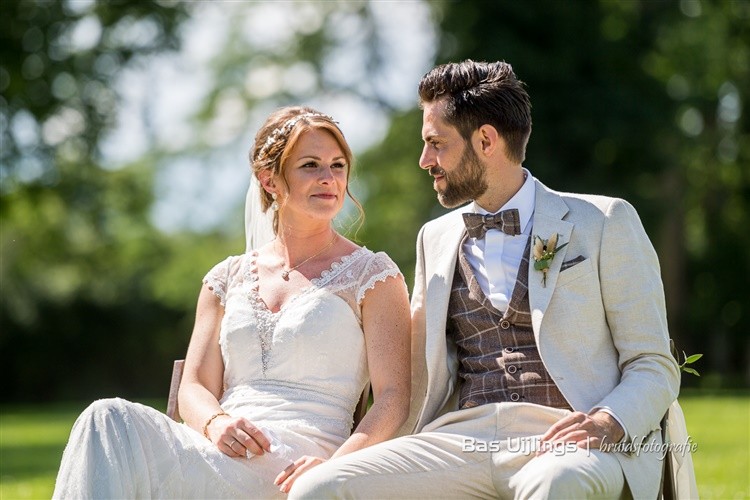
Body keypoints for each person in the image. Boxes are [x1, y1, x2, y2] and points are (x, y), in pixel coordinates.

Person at [290, 61, 698, 499]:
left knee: (555, 484)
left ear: (485, 140)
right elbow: (411, 377)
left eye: (435, 144)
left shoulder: (604, 221)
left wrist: (606, 421)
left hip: (568, 440)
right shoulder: (435, 237)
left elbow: (653, 363)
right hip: (458, 440)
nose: (424, 160)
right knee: (319, 488)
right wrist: (341, 458)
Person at [52, 106, 411, 498]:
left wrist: (337, 467)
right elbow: (193, 386)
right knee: (104, 418)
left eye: (338, 165)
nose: (329, 179)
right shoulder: (225, 278)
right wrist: (216, 423)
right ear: (270, 180)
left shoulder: (372, 275)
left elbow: (393, 398)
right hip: (216, 447)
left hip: (300, 465)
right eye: (311, 165)